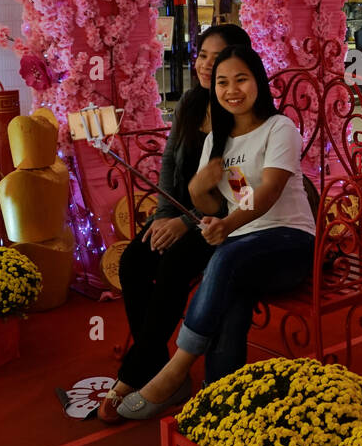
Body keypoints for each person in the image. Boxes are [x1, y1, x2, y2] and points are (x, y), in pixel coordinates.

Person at [117, 45, 316, 419]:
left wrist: (226, 226)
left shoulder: (279, 128)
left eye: (241, 79)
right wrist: (198, 193)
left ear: (258, 80)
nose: (231, 89)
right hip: (245, 253)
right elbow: (241, 196)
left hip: (290, 243)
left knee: (223, 259)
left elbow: (268, 194)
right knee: (232, 296)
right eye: (222, 82)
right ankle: (219, 402)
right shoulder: (218, 141)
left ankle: (174, 369)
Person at [97, 24, 252, 423]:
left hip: (223, 222)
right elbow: (169, 164)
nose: (205, 65)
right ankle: (156, 368)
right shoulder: (189, 103)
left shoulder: (238, 112)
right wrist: (166, 217)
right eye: (202, 55)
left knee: (171, 267)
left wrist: (187, 223)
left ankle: (135, 376)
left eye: (216, 58)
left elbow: (238, 193)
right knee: (134, 261)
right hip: (179, 215)